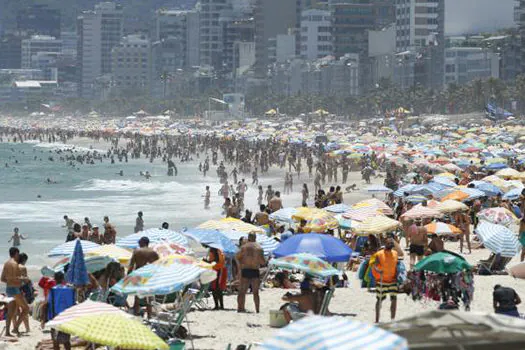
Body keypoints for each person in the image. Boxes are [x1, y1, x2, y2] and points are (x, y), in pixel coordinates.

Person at [1, 247, 29, 336]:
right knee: (26, 308)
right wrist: (24, 279)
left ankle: (7, 332)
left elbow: (2, 279)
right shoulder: (15, 264)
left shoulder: (6, 264)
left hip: (8, 288)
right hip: (15, 289)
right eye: (18, 254)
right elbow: (17, 279)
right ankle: (16, 327)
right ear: (16, 253)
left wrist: (10, 281)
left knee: (11, 311)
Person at [128, 237, 159, 316]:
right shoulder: (153, 252)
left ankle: (135, 314)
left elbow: (131, 266)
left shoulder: (137, 251)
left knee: (137, 297)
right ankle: (149, 316)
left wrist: (128, 277)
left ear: (143, 242)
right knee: (149, 298)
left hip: (138, 275)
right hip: (149, 276)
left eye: (139, 241)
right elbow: (158, 266)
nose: (138, 243)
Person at [236, 233, 265, 313]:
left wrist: (241, 264)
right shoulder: (259, 248)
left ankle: (240, 308)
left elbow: (237, 257)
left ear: (248, 238)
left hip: (245, 269)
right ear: (255, 238)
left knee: (242, 291)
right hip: (255, 270)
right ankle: (257, 310)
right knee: (256, 292)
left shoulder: (243, 247)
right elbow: (263, 262)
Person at [372, 238, 398, 323]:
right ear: (385, 244)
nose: (390, 245)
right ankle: (376, 320)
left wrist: (397, 276)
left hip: (392, 280)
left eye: (392, 244)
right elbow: (375, 266)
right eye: (389, 243)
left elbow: (395, 265)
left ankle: (392, 319)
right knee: (380, 299)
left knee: (394, 299)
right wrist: (378, 271)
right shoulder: (379, 254)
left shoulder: (395, 253)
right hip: (381, 280)